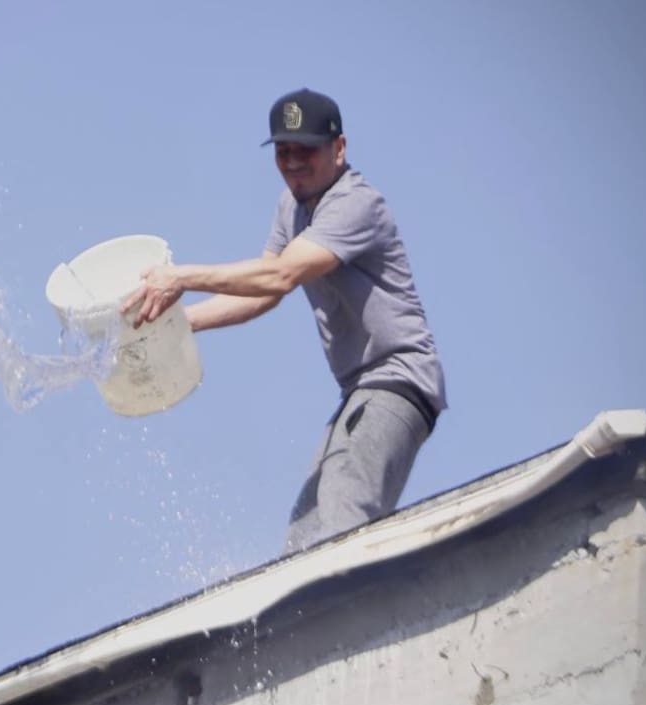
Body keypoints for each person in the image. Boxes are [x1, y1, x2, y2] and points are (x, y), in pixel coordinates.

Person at [122, 87, 447, 553]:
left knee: (341, 514)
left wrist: (179, 278)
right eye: (283, 152)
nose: (293, 163)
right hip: (359, 390)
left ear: (339, 148)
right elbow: (262, 296)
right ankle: (313, 620)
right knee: (304, 532)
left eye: (306, 151)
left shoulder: (355, 203)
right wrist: (177, 324)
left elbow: (278, 276)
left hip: (397, 380)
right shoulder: (291, 208)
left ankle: (356, 614)